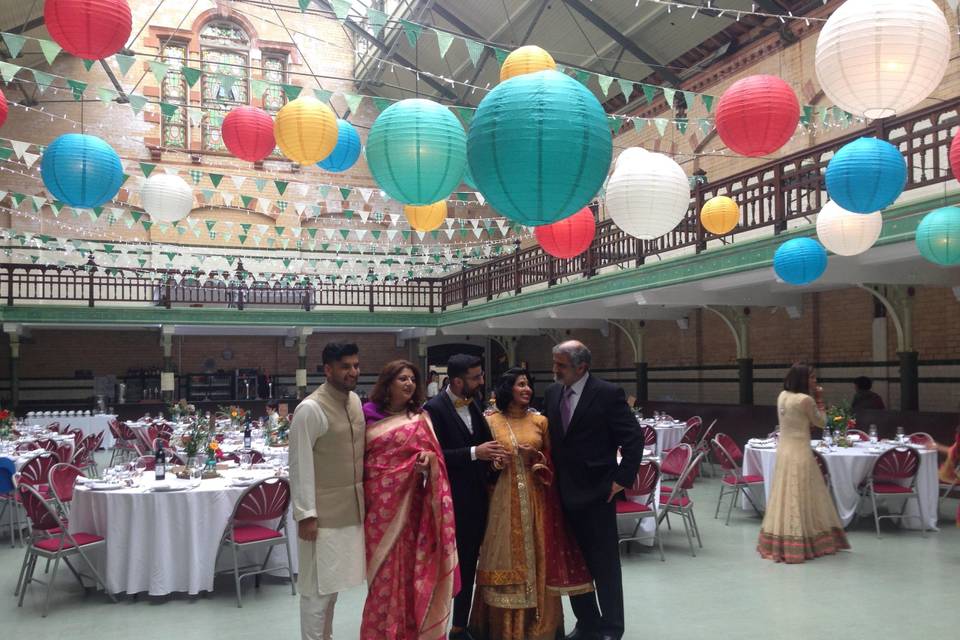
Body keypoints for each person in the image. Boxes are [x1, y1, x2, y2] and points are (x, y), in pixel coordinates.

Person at [470, 368, 593, 640]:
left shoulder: (541, 422)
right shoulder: (490, 421)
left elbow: (553, 461)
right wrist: (494, 463)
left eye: (528, 385)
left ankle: (540, 628)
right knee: (502, 556)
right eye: (520, 384)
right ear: (507, 389)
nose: (527, 389)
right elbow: (482, 463)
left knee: (538, 555)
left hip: (538, 501)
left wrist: (536, 458)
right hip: (502, 502)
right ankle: (501, 628)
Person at [545, 341, 642, 640]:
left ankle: (612, 628)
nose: (555, 370)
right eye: (555, 363)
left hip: (598, 493)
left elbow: (633, 439)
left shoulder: (607, 394)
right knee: (573, 562)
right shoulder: (552, 393)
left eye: (561, 365)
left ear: (581, 367)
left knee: (604, 566)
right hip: (562, 493)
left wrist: (621, 479)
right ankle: (587, 621)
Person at [360, 360, 459, 639]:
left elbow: (436, 457)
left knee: (413, 573)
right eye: (402, 378)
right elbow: (360, 462)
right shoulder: (366, 415)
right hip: (380, 509)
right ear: (388, 383)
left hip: (415, 509)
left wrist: (429, 462)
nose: (409, 384)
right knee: (383, 578)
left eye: (413, 379)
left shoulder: (421, 418)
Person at [425, 354, 507, 640]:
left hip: (475, 500)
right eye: (476, 377)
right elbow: (432, 456)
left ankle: (460, 626)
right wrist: (475, 453)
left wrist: (494, 461)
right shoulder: (433, 409)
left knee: (469, 562)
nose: (482, 381)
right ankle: (433, 627)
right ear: (458, 381)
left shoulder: (474, 404)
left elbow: (484, 445)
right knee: (442, 568)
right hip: (446, 501)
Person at [289, 342, 366, 640]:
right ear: (328, 370)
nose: (353, 372)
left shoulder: (355, 402)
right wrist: (306, 514)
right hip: (320, 519)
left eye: (356, 365)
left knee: (332, 590)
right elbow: (299, 466)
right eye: (346, 366)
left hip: (351, 512)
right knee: (315, 593)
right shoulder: (310, 409)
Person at [758, 363, 850, 563]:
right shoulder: (805, 399)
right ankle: (800, 541)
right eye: (812, 377)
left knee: (786, 492)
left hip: (784, 449)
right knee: (801, 493)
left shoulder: (783, 396)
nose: (815, 381)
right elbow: (822, 422)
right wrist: (820, 399)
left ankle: (780, 540)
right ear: (803, 379)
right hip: (800, 450)